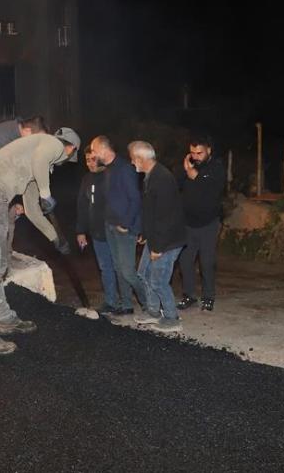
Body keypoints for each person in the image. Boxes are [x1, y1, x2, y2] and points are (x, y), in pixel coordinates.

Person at [0, 127, 80, 355]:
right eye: (70, 156)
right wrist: (47, 194)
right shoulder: (50, 144)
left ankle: (6, 319)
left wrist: (55, 238)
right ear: (70, 148)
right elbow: (41, 160)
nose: (64, 161)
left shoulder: (33, 166)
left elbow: (32, 210)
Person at [129, 141, 187, 333]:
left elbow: (165, 217)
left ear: (140, 158)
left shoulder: (162, 179)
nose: (132, 163)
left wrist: (158, 248)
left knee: (158, 280)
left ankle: (172, 317)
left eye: (132, 159)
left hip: (168, 241)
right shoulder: (150, 176)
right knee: (143, 274)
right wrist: (146, 234)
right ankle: (153, 312)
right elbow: (151, 211)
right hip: (156, 238)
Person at [90, 135, 145, 315]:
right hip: (111, 225)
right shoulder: (108, 170)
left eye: (94, 150)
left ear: (104, 150)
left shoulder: (124, 169)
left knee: (128, 271)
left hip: (124, 227)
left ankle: (149, 302)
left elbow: (135, 199)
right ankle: (127, 304)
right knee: (118, 268)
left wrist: (127, 224)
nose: (93, 154)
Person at [176, 134, 226, 312]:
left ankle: (208, 297)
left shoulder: (216, 167)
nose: (195, 156)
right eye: (192, 152)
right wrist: (185, 172)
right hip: (188, 223)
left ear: (209, 151)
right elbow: (176, 184)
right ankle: (189, 295)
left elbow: (213, 188)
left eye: (199, 153)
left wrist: (194, 175)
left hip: (208, 223)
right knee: (185, 261)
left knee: (206, 262)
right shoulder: (187, 166)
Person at [76, 148, 118, 314]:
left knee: (121, 267)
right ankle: (111, 301)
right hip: (97, 232)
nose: (90, 163)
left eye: (93, 159)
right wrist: (80, 231)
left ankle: (132, 301)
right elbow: (82, 206)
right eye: (87, 160)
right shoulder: (87, 179)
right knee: (105, 267)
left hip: (116, 231)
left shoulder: (111, 175)